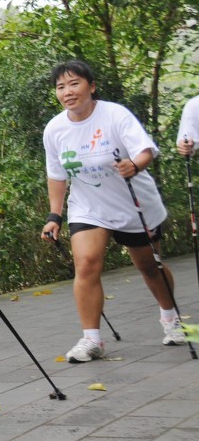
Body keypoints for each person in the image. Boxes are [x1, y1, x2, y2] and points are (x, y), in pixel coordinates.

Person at [43, 60, 184, 361]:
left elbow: (145, 151)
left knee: (149, 266)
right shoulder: (55, 129)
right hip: (88, 206)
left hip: (133, 203)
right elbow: (56, 175)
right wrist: (54, 216)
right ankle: (91, 340)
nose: (67, 92)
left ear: (91, 87)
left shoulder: (115, 115)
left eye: (74, 84)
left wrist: (134, 165)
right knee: (87, 263)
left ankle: (171, 318)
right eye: (60, 87)